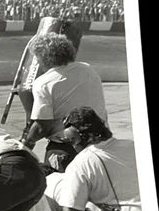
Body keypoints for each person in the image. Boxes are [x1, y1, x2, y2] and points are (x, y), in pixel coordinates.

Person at [22, 33, 107, 170]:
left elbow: (42, 127)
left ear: (44, 58)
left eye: (37, 58)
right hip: (101, 141)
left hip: (69, 147)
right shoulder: (89, 70)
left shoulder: (43, 83)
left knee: (56, 181)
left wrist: (27, 143)